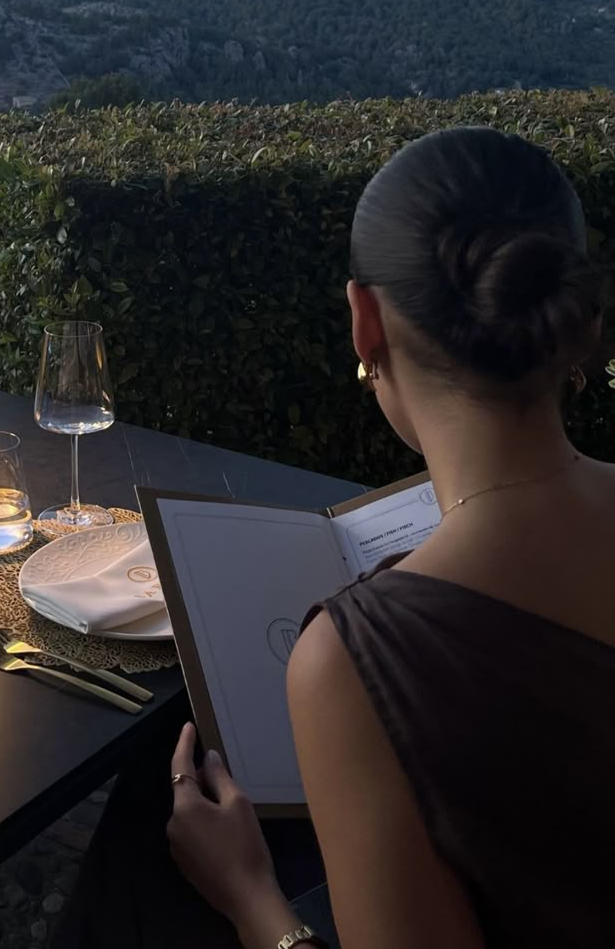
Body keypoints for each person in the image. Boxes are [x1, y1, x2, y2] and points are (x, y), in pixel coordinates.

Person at [54, 126, 615, 949]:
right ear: (574, 312)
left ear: (366, 322)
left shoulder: (358, 661)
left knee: (147, 854)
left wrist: (253, 902)